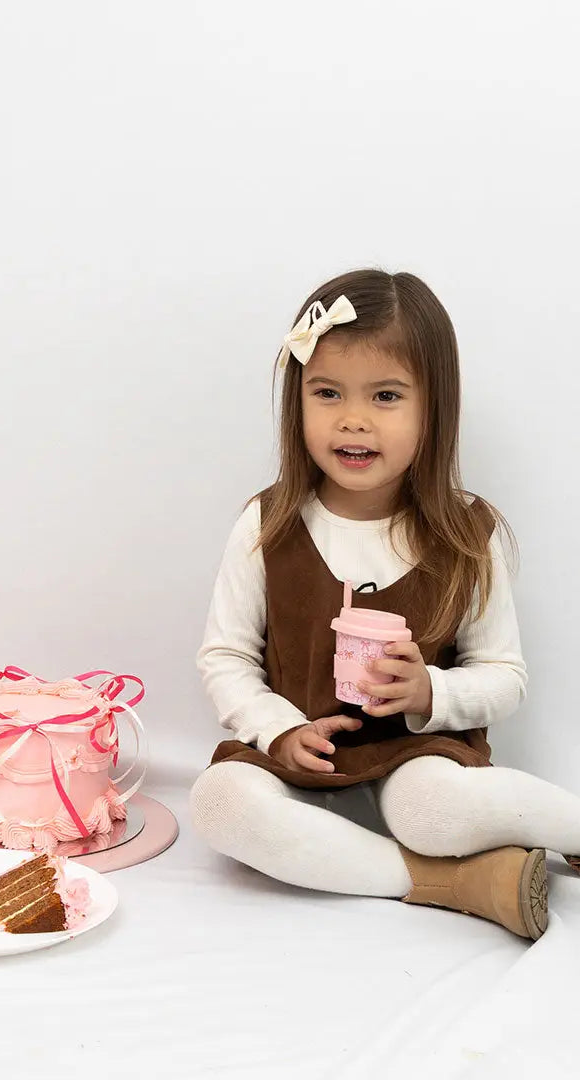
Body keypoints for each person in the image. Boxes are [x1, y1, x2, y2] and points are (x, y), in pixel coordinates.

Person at [191, 268, 579, 940]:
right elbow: (226, 656)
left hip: (418, 754)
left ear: (435, 408)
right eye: (327, 392)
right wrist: (279, 730)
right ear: (296, 400)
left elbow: (505, 675)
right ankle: (449, 882)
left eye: (387, 395)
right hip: (300, 756)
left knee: (430, 810)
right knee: (218, 803)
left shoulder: (464, 534)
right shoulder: (268, 524)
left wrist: (431, 692)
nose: (353, 419)